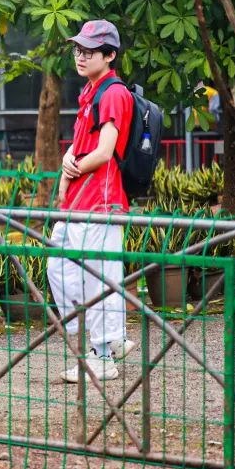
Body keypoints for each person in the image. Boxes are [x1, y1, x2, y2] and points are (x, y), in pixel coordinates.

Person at [51, 19, 137, 383]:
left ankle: (102, 355)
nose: (80, 56)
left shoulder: (113, 93)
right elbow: (81, 144)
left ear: (110, 55)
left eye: (89, 51)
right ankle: (110, 339)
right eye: (77, 49)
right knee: (61, 267)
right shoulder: (90, 92)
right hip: (81, 202)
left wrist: (72, 171)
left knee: (97, 279)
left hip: (101, 202)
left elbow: (104, 152)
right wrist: (65, 175)